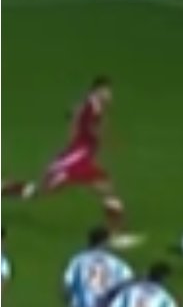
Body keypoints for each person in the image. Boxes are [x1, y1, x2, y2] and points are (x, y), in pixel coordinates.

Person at [2, 77, 142, 249]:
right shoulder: (93, 106)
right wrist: (103, 138)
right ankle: (3, 188)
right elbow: (90, 126)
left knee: (105, 187)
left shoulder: (90, 104)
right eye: (107, 91)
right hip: (74, 159)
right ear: (98, 90)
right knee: (40, 191)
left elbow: (73, 112)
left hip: (81, 158)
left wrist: (79, 121)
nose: (110, 95)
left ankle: (115, 233)